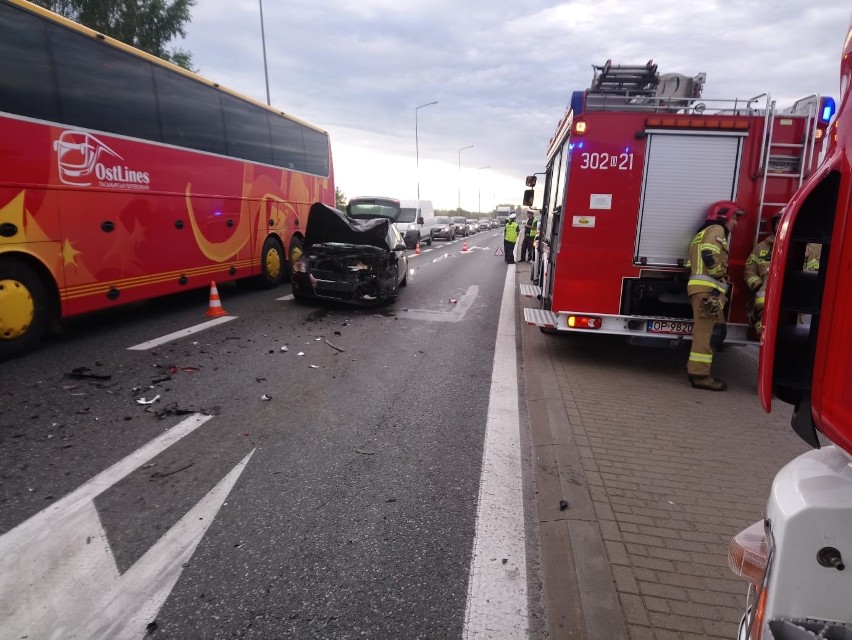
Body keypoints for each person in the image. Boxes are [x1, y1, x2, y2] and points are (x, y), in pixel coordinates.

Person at [685, 200, 745, 391]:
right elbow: (709, 254)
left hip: (703, 289)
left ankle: (700, 372)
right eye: (734, 218)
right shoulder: (716, 230)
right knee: (706, 333)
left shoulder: (702, 233)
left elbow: (690, 263)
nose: (735, 223)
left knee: (714, 331)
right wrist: (719, 274)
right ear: (723, 216)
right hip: (707, 290)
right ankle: (700, 376)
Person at [744, 212, 782, 336]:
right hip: (763, 309)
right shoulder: (761, 247)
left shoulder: (809, 249)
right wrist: (757, 285)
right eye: (778, 222)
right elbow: (749, 269)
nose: (780, 225)